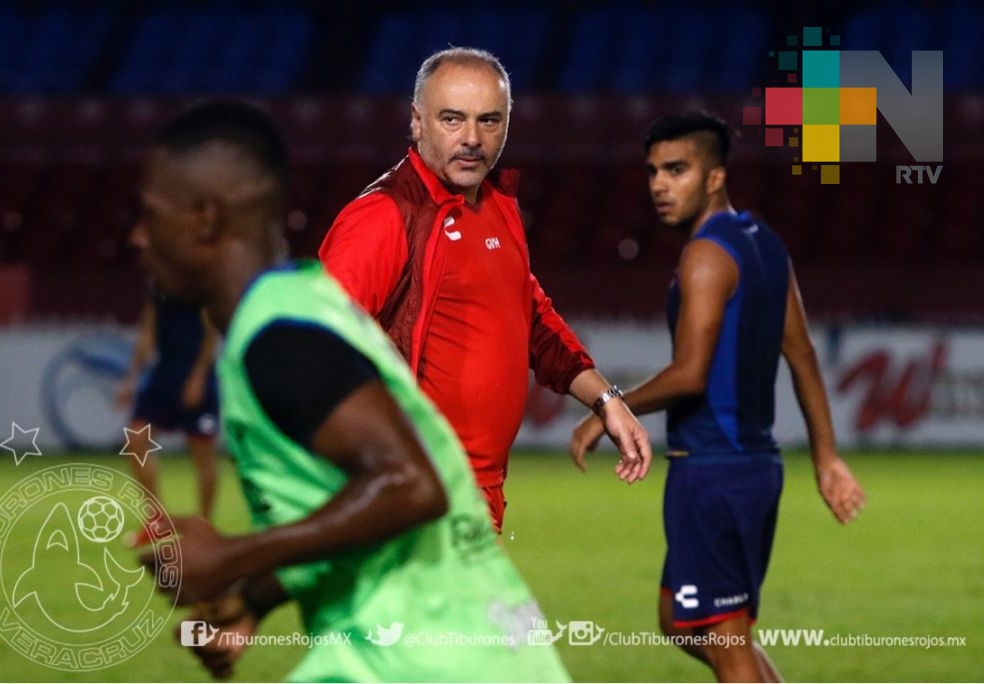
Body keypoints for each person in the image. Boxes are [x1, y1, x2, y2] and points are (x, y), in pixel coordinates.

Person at [132, 100, 570, 682]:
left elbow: (412, 485)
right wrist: (253, 600)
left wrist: (231, 558)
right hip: (464, 648)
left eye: (150, 215)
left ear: (205, 220)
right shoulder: (304, 306)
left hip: (423, 658)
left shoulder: (279, 337)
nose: (138, 237)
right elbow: (364, 501)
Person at [570, 111, 867, 682]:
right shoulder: (763, 241)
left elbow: (690, 375)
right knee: (680, 619)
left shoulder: (704, 256)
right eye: (654, 170)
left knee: (726, 646)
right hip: (754, 469)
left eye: (677, 170)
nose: (659, 184)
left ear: (714, 177)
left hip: (714, 474)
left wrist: (610, 405)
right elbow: (802, 353)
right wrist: (826, 457)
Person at [319, 47, 651, 531]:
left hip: (477, 493)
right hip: (418, 494)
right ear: (417, 122)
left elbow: (532, 317)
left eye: (489, 121)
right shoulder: (385, 217)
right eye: (452, 119)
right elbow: (316, 349)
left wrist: (606, 400)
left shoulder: (497, 203)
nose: (472, 139)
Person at [116, 285, 220, 545]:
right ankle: (158, 519)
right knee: (135, 439)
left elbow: (211, 333)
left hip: (197, 373)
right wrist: (131, 379)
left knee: (202, 452)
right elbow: (148, 333)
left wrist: (199, 375)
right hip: (164, 374)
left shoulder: (198, 280)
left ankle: (203, 527)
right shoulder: (158, 285)